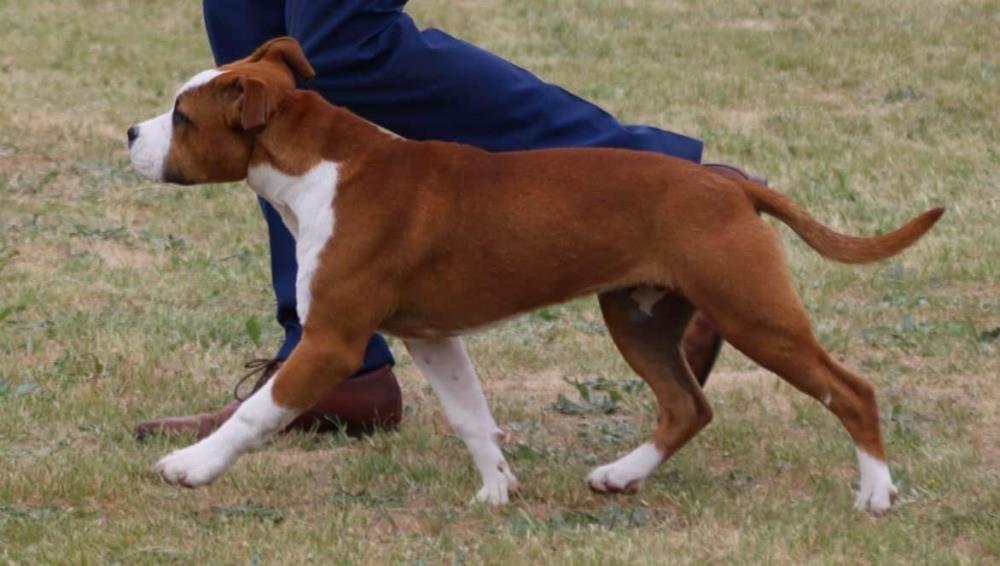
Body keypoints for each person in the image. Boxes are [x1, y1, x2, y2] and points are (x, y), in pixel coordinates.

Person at [135, 0, 763, 440]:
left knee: (340, 41)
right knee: (249, 22)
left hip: (668, 208)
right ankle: (333, 355)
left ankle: (671, 199)